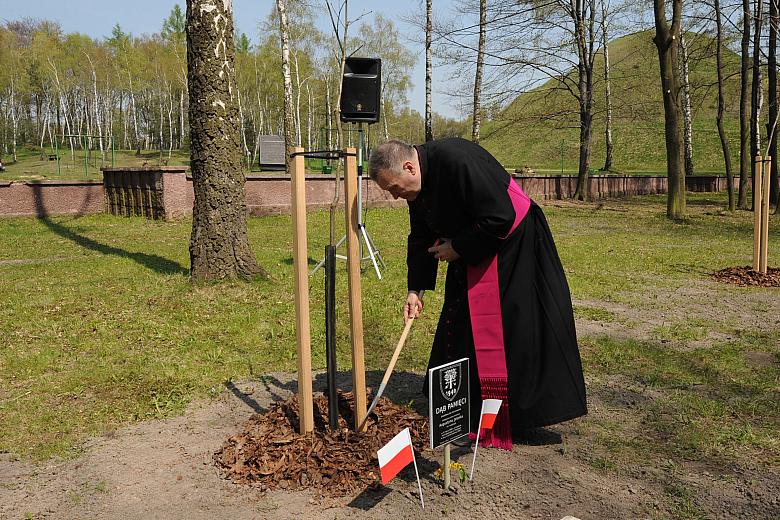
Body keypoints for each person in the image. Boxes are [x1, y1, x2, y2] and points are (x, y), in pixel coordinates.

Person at [368, 137, 587, 450]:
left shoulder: (457, 160)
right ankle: (467, 406)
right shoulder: (416, 186)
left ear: (409, 167)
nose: (394, 196)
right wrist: (415, 289)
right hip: (474, 242)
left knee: (511, 327)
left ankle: (514, 414)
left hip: (513, 245)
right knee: (462, 320)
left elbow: (500, 216)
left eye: (393, 188)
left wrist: (458, 247)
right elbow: (420, 237)